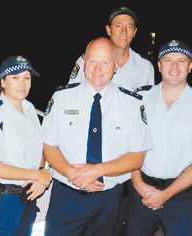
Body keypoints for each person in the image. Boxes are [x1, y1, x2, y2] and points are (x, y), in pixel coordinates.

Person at [42, 37, 149, 236]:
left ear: (116, 65)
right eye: (92, 62)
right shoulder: (61, 98)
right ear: (84, 65)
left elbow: (137, 157)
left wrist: (97, 170)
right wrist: (73, 173)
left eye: (105, 62)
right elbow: (49, 147)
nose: (98, 68)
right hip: (66, 197)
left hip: (109, 201)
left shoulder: (132, 105)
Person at [0, 55, 52, 236]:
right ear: (3, 82)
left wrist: (41, 174)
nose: (22, 83)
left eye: (27, 78)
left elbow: (39, 150)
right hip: (4, 202)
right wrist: (39, 175)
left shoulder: (29, 109)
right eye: (15, 78)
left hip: (27, 197)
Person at [124, 40, 192, 236]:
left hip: (182, 193)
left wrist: (166, 194)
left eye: (181, 61)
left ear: (190, 66)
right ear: (159, 65)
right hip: (141, 189)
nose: (175, 66)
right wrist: (138, 184)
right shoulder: (140, 99)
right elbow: (130, 146)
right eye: (168, 60)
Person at [68, 6, 155, 91]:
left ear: (134, 32)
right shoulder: (87, 60)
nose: (124, 31)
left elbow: (148, 102)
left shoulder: (145, 67)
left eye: (129, 26)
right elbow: (72, 95)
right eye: (118, 26)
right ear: (108, 30)